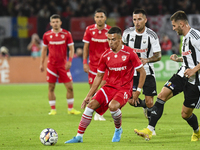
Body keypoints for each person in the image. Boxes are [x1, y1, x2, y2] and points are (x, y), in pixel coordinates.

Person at [65, 26, 146, 143]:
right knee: (91, 105)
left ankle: (118, 129)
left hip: (124, 88)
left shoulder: (129, 52)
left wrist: (138, 91)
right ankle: (79, 136)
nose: (110, 42)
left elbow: (142, 71)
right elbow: (98, 77)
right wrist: (89, 95)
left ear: (120, 39)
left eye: (113, 39)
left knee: (113, 106)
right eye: (108, 39)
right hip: (109, 87)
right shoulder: (105, 55)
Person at [134, 10, 200, 142]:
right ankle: (149, 130)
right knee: (162, 95)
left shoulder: (196, 36)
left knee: (185, 114)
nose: (173, 28)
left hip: (196, 80)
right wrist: (180, 59)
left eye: (174, 26)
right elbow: (192, 57)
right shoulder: (185, 38)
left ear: (182, 24)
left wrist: (194, 70)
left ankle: (197, 131)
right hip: (183, 74)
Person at [122, 9, 161, 135]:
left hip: (148, 72)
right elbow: (121, 49)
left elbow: (158, 55)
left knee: (150, 101)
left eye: (139, 19)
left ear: (145, 20)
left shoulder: (151, 35)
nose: (136, 22)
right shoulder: (127, 33)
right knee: (130, 100)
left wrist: (147, 59)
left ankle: (151, 128)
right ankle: (143, 105)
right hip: (131, 73)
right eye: (134, 19)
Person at [40, 14, 81, 115]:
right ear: (50, 23)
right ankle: (53, 109)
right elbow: (44, 50)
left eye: (57, 22)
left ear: (60, 22)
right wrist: (41, 63)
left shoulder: (67, 34)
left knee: (70, 87)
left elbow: (71, 49)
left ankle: (70, 109)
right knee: (51, 87)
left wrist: (70, 61)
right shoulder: (46, 35)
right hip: (51, 65)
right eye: (53, 22)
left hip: (63, 65)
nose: (55, 24)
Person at [82, 8, 111, 121]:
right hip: (93, 65)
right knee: (92, 89)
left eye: (101, 17)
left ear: (105, 18)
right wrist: (84, 62)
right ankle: (92, 111)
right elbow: (85, 47)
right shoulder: (89, 30)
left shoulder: (109, 31)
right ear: (94, 18)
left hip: (106, 65)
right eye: (97, 17)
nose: (99, 19)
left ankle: (99, 113)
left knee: (103, 88)